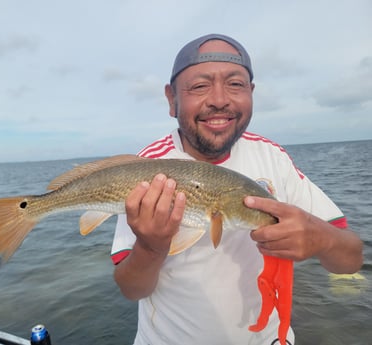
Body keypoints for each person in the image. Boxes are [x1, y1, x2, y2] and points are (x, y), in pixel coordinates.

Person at [111, 34, 363, 345]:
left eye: (235, 84)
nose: (219, 99)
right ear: (172, 99)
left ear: (251, 93)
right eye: (200, 86)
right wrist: (150, 247)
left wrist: (322, 238)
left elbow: (350, 260)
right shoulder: (146, 170)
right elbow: (131, 289)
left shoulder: (274, 158)